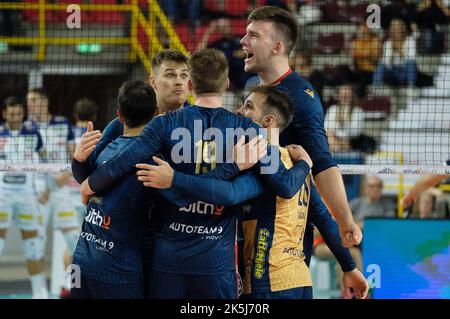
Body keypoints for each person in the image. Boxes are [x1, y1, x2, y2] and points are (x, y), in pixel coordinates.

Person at [74, 48, 309, 298]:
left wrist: (89, 183)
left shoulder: (162, 125)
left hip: (165, 258)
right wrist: (306, 163)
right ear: (227, 83)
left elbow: (121, 164)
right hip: (214, 262)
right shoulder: (251, 130)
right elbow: (283, 185)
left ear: (189, 83)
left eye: (181, 76)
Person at [137, 85, 369, 299]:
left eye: (248, 106)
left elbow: (229, 193)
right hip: (300, 281)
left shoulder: (259, 163)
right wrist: (349, 267)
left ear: (268, 121)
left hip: (265, 282)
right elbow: (323, 218)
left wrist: (174, 180)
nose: (238, 111)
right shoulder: (295, 161)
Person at [241, 6, 362, 247]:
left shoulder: (300, 96)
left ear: (277, 47)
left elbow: (323, 164)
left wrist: (345, 220)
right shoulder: (257, 89)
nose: (243, 41)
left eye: (254, 36)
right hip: (250, 222)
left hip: (282, 234)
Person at [70, 80, 197, 299]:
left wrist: (78, 159)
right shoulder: (155, 163)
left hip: (80, 263)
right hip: (118, 270)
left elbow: (86, 183)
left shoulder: (104, 151)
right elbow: (183, 200)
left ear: (119, 115)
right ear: (156, 113)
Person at [26, 88, 80, 297]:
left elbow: (74, 157)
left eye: (33, 101)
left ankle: (75, 286)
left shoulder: (63, 124)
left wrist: (66, 174)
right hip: (38, 194)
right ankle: (39, 292)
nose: (29, 105)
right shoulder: (27, 128)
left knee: (75, 244)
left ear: (44, 102)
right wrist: (44, 187)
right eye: (28, 101)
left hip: (61, 191)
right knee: (35, 246)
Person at [0, 96, 48, 298]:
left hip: (27, 195)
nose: (16, 117)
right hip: (3, 195)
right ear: (4, 114)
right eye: (12, 114)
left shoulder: (33, 132)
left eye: (19, 113)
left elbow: (43, 160)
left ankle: (39, 292)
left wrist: (43, 185)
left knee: (33, 245)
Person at [373, 19, 417, 88]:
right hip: (392, 73)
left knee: (411, 64)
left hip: (405, 72)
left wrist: (399, 51)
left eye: (398, 28)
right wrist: (392, 54)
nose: (396, 31)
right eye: (394, 29)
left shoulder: (410, 40)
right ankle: (375, 88)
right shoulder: (388, 43)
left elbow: (412, 59)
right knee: (381, 64)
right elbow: (386, 63)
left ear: (403, 30)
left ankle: (411, 87)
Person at [324, 84, 365, 153]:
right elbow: (326, 127)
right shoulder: (333, 109)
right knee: (329, 137)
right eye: (342, 94)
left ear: (352, 96)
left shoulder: (358, 111)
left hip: (350, 142)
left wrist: (344, 123)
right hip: (332, 139)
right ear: (339, 95)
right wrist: (337, 134)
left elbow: (356, 133)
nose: (344, 96)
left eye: (347, 94)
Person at [348, 21, 382, 98]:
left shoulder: (375, 40)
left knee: (362, 78)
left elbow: (376, 58)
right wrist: (366, 54)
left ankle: (359, 99)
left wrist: (360, 53)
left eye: (365, 31)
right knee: (342, 69)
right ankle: (347, 89)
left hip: (371, 72)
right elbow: (352, 54)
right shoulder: (355, 42)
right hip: (357, 70)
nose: (363, 33)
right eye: (361, 31)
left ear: (369, 31)